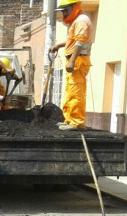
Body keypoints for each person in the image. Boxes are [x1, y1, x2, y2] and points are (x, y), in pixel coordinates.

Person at [50, 0, 93, 131]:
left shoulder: (81, 20)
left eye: (65, 10)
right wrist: (59, 45)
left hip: (78, 60)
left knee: (76, 92)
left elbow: (80, 42)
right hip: (75, 60)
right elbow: (72, 40)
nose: (64, 13)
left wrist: (72, 61)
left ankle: (76, 122)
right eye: (62, 11)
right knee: (70, 92)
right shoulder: (76, 21)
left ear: (75, 7)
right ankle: (70, 119)